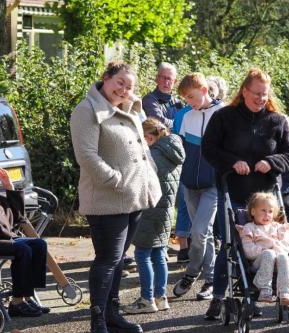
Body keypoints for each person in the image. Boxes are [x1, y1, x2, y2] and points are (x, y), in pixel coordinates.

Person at [71, 61, 161, 333]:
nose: (123, 90)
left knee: (120, 259)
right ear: (105, 78)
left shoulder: (127, 108)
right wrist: (115, 180)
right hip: (107, 198)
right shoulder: (86, 110)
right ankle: (97, 320)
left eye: (130, 86)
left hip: (133, 196)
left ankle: (113, 314)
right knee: (108, 258)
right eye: (119, 82)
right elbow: (86, 155)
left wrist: (133, 103)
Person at [201, 68, 289, 319]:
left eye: (264, 95)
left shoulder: (277, 121)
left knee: (271, 241)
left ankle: (266, 289)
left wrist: (272, 162)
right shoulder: (224, 117)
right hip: (234, 192)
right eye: (256, 94)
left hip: (266, 196)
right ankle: (219, 296)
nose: (260, 99)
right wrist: (233, 162)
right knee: (233, 245)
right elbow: (208, 148)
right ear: (244, 91)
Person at [122, 118, 185, 314]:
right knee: (158, 255)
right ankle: (161, 297)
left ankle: (147, 299)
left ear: (149, 136)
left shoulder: (154, 154)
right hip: (165, 211)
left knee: (142, 254)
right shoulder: (174, 148)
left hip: (149, 209)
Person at [172, 73, 225, 301]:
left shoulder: (222, 114)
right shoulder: (187, 117)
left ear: (205, 91)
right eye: (186, 99)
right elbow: (180, 149)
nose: (190, 103)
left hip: (212, 185)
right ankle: (211, 279)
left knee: (199, 232)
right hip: (189, 185)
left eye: (192, 97)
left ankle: (192, 273)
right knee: (204, 235)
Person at [0, 160, 49, 317]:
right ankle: (17, 302)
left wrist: (9, 187)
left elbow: (19, 218)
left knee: (39, 245)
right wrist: (10, 235)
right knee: (23, 249)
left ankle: (26, 296)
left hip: (4, 238)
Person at [236, 192, 289, 305]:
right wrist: (264, 249)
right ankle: (264, 288)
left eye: (270, 211)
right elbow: (248, 250)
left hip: (279, 260)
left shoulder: (278, 228)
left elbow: (286, 245)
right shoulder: (249, 228)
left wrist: (275, 248)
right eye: (263, 210)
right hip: (259, 261)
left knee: (283, 256)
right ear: (253, 211)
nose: (267, 214)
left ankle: (285, 291)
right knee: (268, 254)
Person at [142, 62, 184, 129]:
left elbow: (185, 122)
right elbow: (159, 122)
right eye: (163, 78)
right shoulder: (149, 100)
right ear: (157, 78)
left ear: (175, 82)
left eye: (169, 79)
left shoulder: (178, 103)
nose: (166, 82)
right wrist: (179, 124)